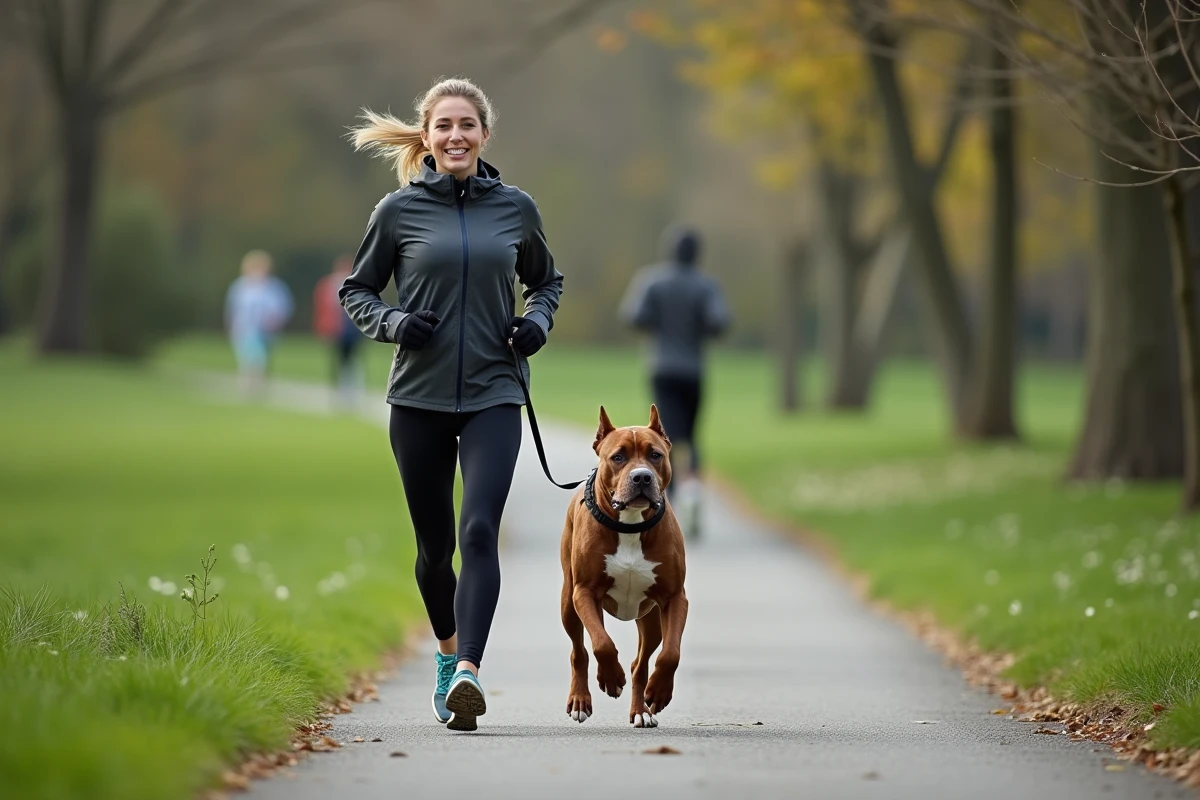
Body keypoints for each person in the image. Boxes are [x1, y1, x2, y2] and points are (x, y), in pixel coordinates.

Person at [340, 77, 563, 732]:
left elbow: (546, 281)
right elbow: (357, 291)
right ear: (428, 136)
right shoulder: (397, 212)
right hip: (419, 398)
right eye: (444, 125)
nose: (456, 136)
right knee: (435, 548)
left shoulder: (516, 209)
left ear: (484, 134)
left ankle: (468, 669)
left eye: (467, 125)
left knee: (479, 531)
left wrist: (536, 323)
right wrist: (394, 322)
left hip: (496, 390)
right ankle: (445, 654)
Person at [619, 225, 729, 538]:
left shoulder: (652, 281)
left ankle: (669, 502)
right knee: (690, 436)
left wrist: (660, 320)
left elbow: (633, 316)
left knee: (663, 436)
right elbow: (719, 322)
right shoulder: (706, 285)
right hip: (693, 370)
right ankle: (692, 492)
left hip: (662, 368)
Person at [224, 249, 293, 394]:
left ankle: (259, 385)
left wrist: (275, 321)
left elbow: (283, 307)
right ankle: (249, 385)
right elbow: (233, 309)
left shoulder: (274, 287)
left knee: (263, 358)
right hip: (245, 328)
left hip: (267, 329)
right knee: (251, 357)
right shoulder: (240, 287)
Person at [313, 254, 363, 406]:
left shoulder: (356, 283)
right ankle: (340, 391)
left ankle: (352, 389)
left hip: (352, 327)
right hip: (337, 328)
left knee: (352, 359)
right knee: (338, 360)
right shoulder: (329, 284)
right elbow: (322, 308)